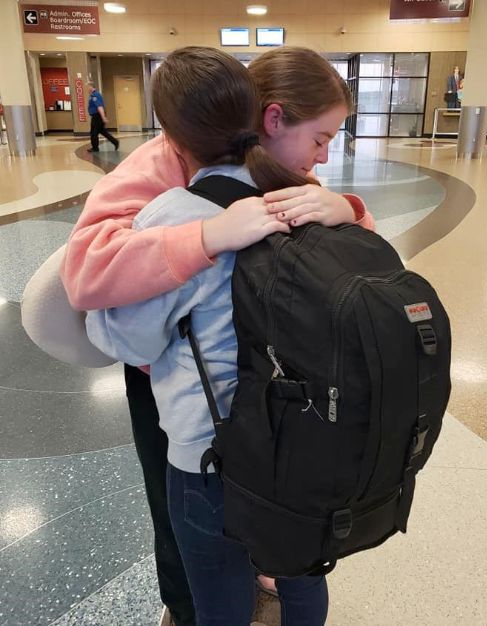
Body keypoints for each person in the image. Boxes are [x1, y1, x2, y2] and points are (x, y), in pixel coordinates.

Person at [60, 47, 374, 626]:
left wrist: (347, 209)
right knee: (296, 561)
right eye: (321, 138)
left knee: (211, 557)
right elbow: (86, 269)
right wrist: (206, 237)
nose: (323, 158)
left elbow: (127, 339)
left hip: (211, 433)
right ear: (271, 119)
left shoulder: (285, 183)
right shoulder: (174, 174)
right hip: (279, 421)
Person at [87, 81, 119, 152]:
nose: (87, 88)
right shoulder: (93, 95)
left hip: (97, 116)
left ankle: (95, 148)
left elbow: (99, 107)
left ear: (91, 87)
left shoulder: (95, 95)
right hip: (96, 116)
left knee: (94, 133)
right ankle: (115, 142)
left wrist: (103, 117)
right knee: (102, 132)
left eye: (88, 87)